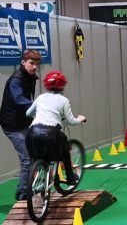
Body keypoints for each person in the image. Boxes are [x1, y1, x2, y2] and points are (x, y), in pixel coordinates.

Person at [26, 70, 87, 203]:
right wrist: (80, 118)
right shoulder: (63, 100)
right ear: (62, 87)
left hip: (33, 133)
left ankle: (37, 179)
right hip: (51, 134)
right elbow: (71, 121)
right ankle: (70, 178)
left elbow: (28, 113)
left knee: (36, 158)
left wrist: (39, 115)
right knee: (64, 151)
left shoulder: (41, 97)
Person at [0, 50, 41, 200]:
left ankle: (27, 186)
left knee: (37, 153)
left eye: (36, 64)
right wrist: (38, 106)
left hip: (24, 122)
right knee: (27, 159)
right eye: (31, 63)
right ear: (23, 62)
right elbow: (19, 99)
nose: (34, 66)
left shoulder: (31, 77)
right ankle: (23, 195)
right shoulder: (16, 79)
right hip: (11, 125)